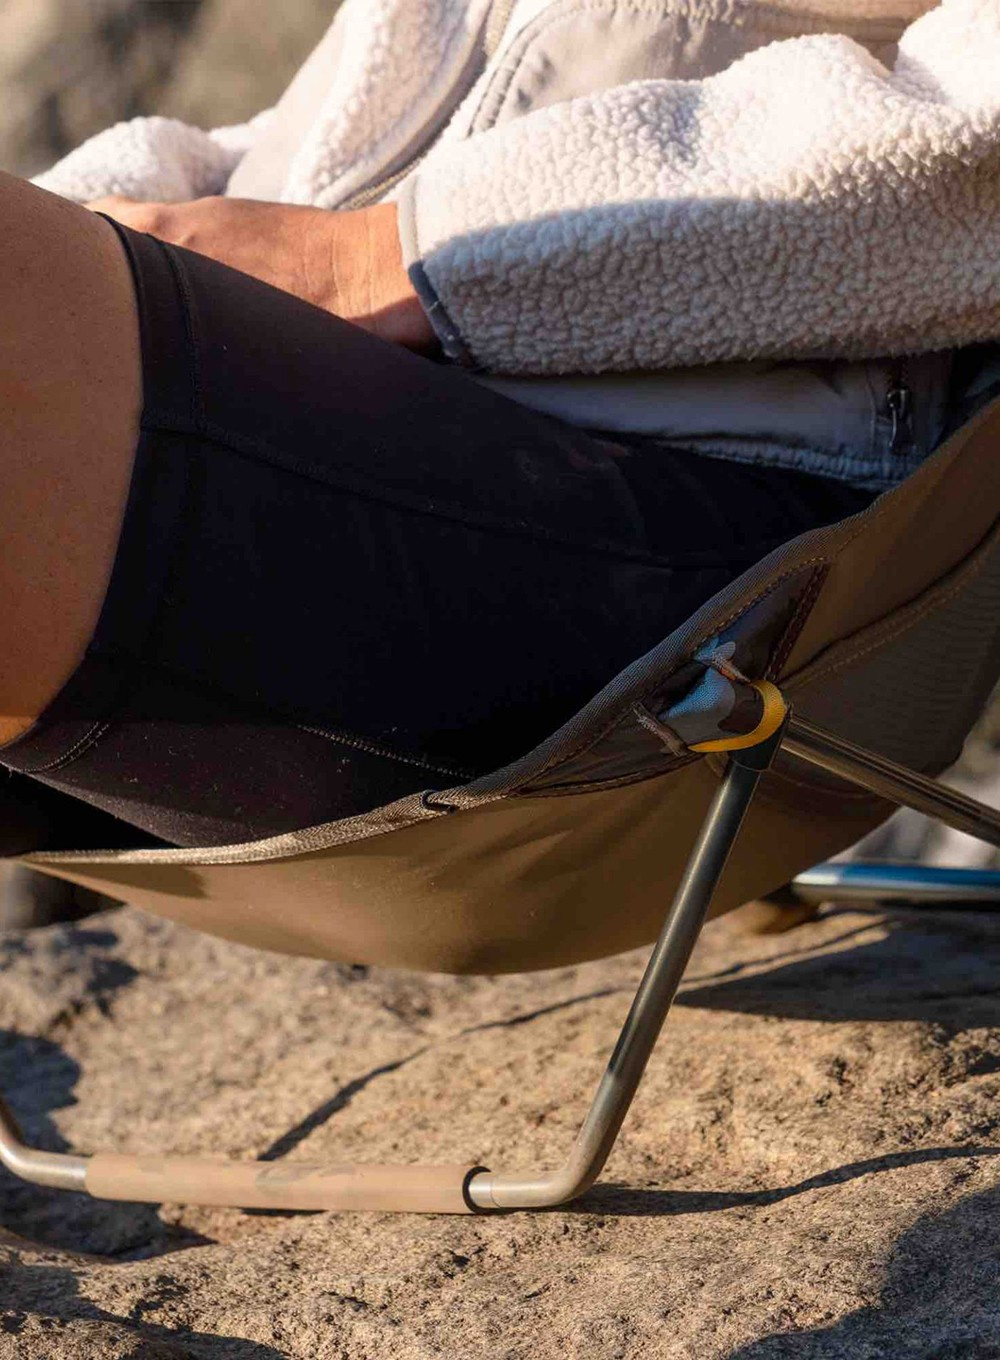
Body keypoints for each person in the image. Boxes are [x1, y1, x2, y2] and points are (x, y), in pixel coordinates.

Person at [0, 0, 999, 861]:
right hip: (376, 417)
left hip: (724, 541)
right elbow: (408, 103)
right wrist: (112, 218)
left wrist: (365, 261)